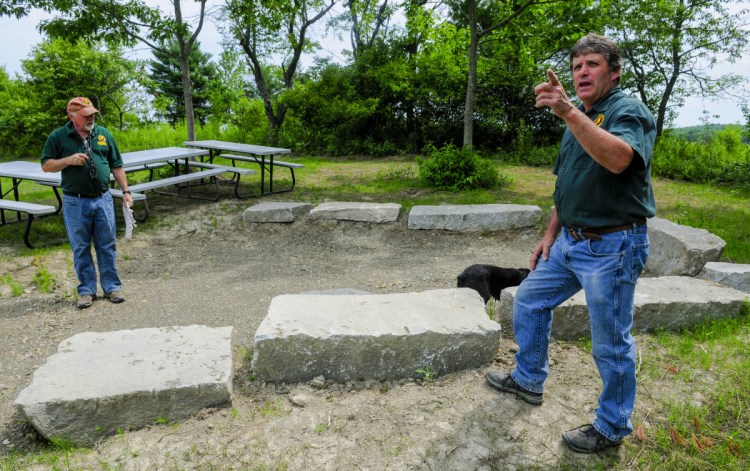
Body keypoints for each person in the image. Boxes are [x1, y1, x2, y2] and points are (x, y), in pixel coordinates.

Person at [485, 34, 656, 454]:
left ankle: (612, 427)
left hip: (613, 246)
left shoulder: (626, 111)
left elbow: (619, 159)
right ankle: (528, 379)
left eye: (592, 64)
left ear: (613, 73)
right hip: (569, 243)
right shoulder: (577, 118)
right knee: (528, 300)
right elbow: (567, 186)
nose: (582, 72)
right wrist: (549, 236)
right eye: (577, 66)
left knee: (610, 342)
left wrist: (565, 110)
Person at [42, 97, 134, 309]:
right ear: (72, 117)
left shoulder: (103, 134)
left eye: (92, 113)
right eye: (86, 115)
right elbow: (46, 165)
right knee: (81, 247)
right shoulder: (58, 137)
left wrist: (126, 191)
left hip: (103, 198)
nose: (91, 117)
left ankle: (112, 287)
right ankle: (86, 291)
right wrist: (67, 161)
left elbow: (116, 165)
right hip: (76, 202)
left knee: (107, 244)